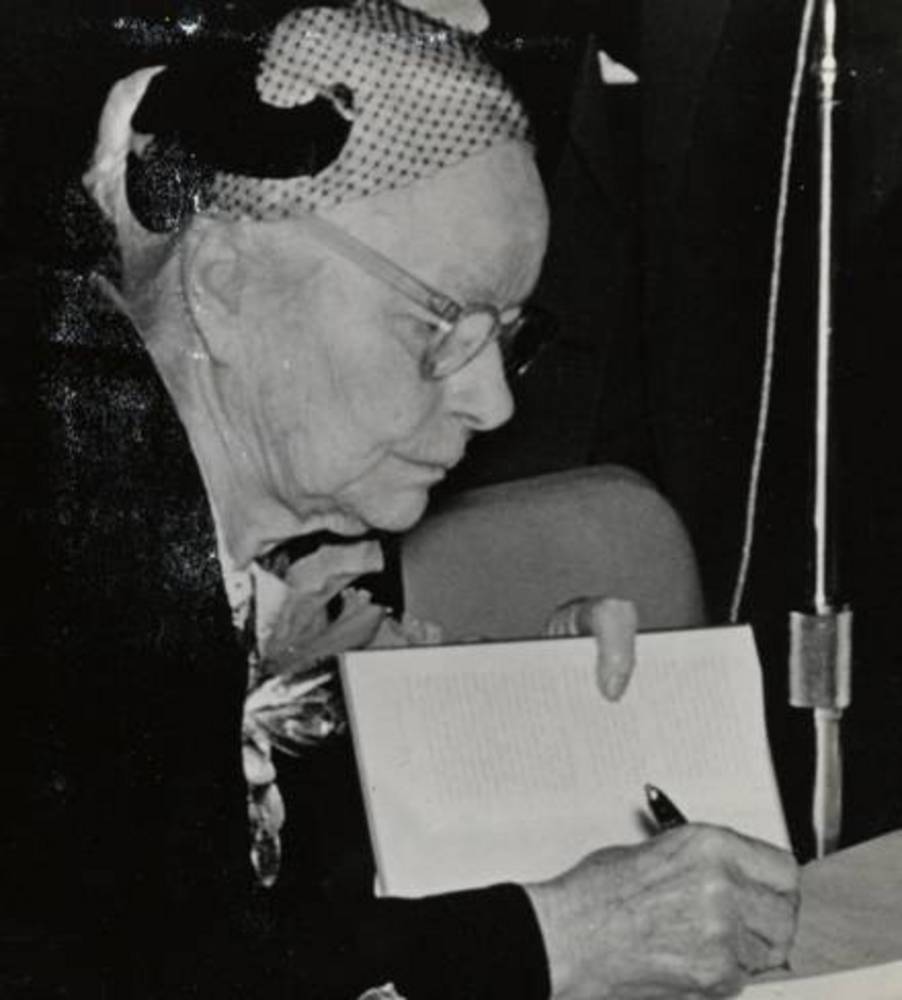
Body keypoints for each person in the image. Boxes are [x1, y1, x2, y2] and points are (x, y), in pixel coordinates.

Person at [3, 2, 799, 997]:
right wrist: (550, 938)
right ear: (221, 279)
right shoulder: (56, 556)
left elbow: (281, 922)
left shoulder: (263, 539)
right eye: (439, 321)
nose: (495, 398)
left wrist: (532, 735)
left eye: (505, 333)